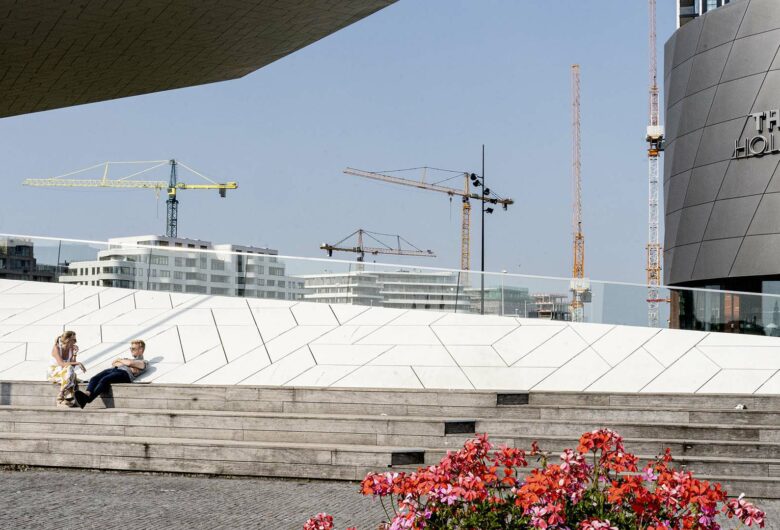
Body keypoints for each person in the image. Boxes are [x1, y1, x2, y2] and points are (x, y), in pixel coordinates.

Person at [74, 339, 148, 408]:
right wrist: (125, 362)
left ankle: (89, 399)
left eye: (133, 348)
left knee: (105, 379)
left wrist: (121, 360)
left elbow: (129, 362)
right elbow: (114, 363)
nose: (131, 350)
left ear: (141, 349)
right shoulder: (127, 360)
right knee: (94, 378)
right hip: (112, 370)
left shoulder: (144, 362)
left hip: (124, 374)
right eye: (130, 348)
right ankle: (87, 394)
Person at [47, 331, 85, 407]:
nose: (75, 342)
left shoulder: (71, 349)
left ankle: (66, 398)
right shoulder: (56, 348)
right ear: (67, 339)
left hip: (65, 373)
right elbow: (61, 364)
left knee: (71, 372)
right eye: (73, 340)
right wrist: (77, 363)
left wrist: (74, 353)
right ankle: (60, 397)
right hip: (54, 373)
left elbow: (72, 367)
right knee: (71, 373)